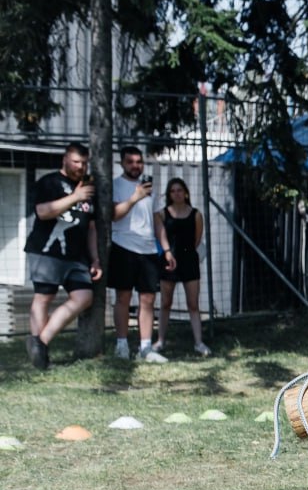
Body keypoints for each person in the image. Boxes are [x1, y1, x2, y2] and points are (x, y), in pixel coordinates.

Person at [24, 143, 101, 370]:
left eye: (84, 163)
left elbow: (92, 227)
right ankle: (40, 358)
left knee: (84, 296)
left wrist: (95, 258)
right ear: (65, 159)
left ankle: (40, 341)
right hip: (46, 251)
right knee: (43, 298)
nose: (81, 167)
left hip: (77, 256)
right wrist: (75, 197)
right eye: (77, 162)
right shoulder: (49, 182)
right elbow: (43, 212)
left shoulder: (89, 187)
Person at [109, 146, 174, 362]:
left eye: (139, 162)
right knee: (123, 298)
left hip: (148, 250)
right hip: (124, 247)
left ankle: (146, 347)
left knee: (148, 299)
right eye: (131, 161)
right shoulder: (116, 186)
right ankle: (121, 345)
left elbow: (156, 220)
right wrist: (135, 197)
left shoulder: (149, 188)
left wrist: (165, 249)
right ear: (122, 163)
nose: (135, 165)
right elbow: (114, 215)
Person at [154, 178, 211, 357]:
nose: (176, 193)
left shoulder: (196, 214)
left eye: (179, 190)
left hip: (189, 262)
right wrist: (168, 253)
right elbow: (160, 235)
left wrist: (186, 253)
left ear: (185, 192)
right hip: (169, 262)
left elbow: (197, 238)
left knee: (193, 304)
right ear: (169, 194)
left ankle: (198, 342)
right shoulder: (162, 214)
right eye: (173, 191)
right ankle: (160, 341)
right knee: (165, 302)